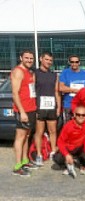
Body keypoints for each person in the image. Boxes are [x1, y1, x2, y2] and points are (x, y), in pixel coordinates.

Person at [11, 49, 37, 177]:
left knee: (27, 136)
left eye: (31, 58)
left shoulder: (28, 72)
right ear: (21, 58)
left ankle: (25, 160)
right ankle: (17, 166)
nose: (29, 60)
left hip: (31, 108)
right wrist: (22, 112)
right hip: (23, 110)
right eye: (26, 58)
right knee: (20, 137)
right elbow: (15, 94)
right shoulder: (18, 71)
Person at [33, 52, 61, 166]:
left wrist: (58, 106)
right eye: (47, 59)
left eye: (50, 60)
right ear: (41, 59)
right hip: (39, 106)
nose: (49, 62)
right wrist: (33, 107)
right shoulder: (35, 73)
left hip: (51, 107)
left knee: (53, 131)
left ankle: (53, 152)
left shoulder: (54, 75)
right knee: (39, 132)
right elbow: (32, 91)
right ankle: (39, 154)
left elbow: (56, 92)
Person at [53, 106, 85, 177]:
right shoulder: (68, 126)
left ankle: (82, 165)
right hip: (69, 148)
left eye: (83, 115)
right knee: (57, 158)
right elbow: (60, 142)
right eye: (78, 114)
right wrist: (66, 154)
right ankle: (67, 164)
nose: (81, 117)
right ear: (74, 115)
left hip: (80, 148)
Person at [59, 55, 85, 123]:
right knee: (69, 126)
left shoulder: (84, 73)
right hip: (68, 105)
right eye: (72, 62)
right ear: (69, 62)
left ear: (79, 63)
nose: (74, 64)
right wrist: (76, 90)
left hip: (81, 106)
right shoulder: (65, 73)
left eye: (76, 62)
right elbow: (61, 87)